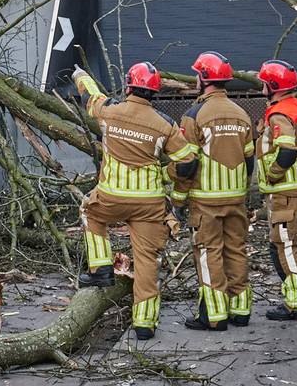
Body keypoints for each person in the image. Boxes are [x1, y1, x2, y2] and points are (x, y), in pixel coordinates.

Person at [69, 62, 193, 340]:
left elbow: (91, 98)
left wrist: (81, 75)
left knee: (90, 212)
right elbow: (187, 162)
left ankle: (100, 269)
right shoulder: (165, 124)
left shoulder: (110, 112)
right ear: (154, 92)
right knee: (147, 260)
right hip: (149, 204)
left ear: (128, 86)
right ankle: (145, 324)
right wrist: (166, 174)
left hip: (111, 197)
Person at [171, 52, 255, 331]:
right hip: (236, 199)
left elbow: (187, 164)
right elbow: (249, 160)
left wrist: (178, 201)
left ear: (204, 78)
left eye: (198, 74)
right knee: (236, 250)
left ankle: (214, 316)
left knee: (209, 254)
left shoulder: (195, 115)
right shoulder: (242, 113)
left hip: (205, 201)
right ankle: (241, 310)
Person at [255, 59, 297, 320]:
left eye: (263, 84)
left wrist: (272, 175)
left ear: (273, 85)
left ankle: (295, 303)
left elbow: (288, 150)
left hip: (285, 192)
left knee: (285, 247)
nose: (261, 90)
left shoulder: (280, 114)